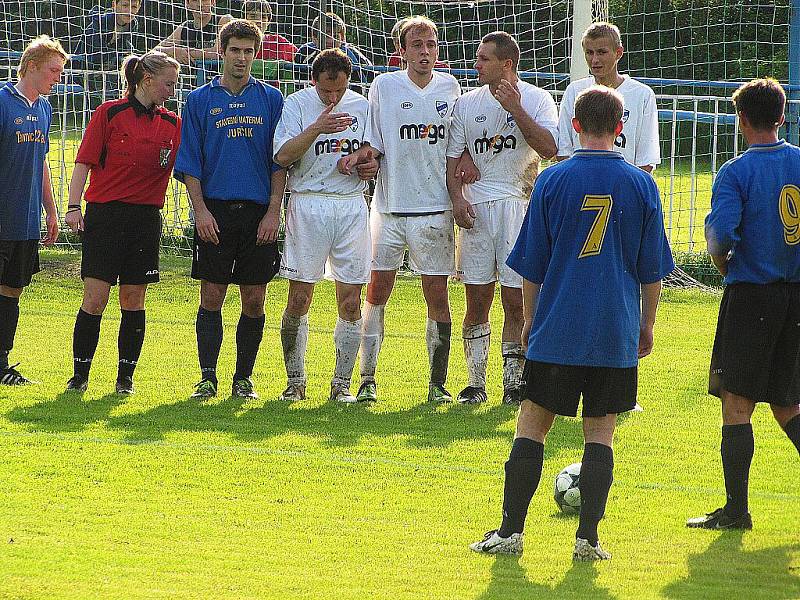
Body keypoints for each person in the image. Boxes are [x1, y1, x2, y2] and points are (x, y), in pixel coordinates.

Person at [469, 86, 673, 560]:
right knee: (600, 432)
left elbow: (531, 268)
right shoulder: (642, 186)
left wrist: (528, 323)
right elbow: (651, 273)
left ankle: (511, 532)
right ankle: (588, 541)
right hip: (612, 330)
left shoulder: (551, 182)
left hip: (557, 328)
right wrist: (645, 326)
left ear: (574, 126)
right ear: (621, 129)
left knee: (531, 425)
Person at [687, 78, 800, 530]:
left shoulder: (735, 172)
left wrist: (722, 266)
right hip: (796, 298)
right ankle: (735, 510)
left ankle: (736, 511)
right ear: (781, 115)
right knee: (789, 405)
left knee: (737, 404)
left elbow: (720, 236)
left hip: (752, 294)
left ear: (741, 120)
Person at [339, 16, 461, 403]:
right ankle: (367, 379)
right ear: (402, 51)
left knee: (436, 295)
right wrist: (364, 159)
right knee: (376, 292)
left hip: (435, 210)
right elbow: (375, 140)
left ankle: (437, 384)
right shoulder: (385, 86)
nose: (425, 51)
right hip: (389, 209)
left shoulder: (451, 86)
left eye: (431, 44)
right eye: (417, 45)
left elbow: (456, 143)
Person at [446, 31, 558, 405]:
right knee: (476, 300)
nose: (476, 65)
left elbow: (549, 148)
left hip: (518, 207)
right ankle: (475, 384)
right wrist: (457, 199)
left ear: (506, 64)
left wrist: (516, 110)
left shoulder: (538, 99)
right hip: (477, 211)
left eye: (483, 59)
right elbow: (453, 158)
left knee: (517, 301)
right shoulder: (466, 103)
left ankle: (514, 384)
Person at [175, 19, 285, 400]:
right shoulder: (199, 100)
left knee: (254, 298)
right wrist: (201, 211)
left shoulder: (271, 99)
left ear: (257, 54)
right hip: (216, 210)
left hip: (258, 213)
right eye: (235, 50)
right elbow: (189, 162)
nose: (242, 57)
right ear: (222, 52)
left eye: (249, 51)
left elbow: (280, 162)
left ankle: (243, 378)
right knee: (212, 295)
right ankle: (207, 376)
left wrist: (274, 212)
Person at [63, 51, 181, 394]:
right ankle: (80, 376)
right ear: (147, 81)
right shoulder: (109, 113)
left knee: (133, 298)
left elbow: (186, 170)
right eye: (168, 84)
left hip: (145, 219)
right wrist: (73, 207)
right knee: (96, 297)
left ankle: (124, 379)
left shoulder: (173, 123)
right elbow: (84, 162)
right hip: (106, 216)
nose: (172, 91)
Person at [273, 49, 375, 403]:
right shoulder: (296, 105)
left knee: (350, 301)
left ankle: (341, 385)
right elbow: (283, 156)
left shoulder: (362, 105)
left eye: (339, 91)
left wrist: (363, 160)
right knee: (300, 297)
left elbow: (374, 152)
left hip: (350, 207)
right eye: (326, 91)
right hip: (308, 202)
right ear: (313, 81)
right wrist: (318, 127)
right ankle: (295, 381)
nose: (333, 98)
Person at [0, 35, 67, 386]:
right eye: (54, 70)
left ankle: (2, 364)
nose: (59, 77)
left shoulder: (43, 107)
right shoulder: (1, 100)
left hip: (24, 220)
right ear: (32, 66)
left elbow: (40, 161)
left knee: (12, 290)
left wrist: (51, 211)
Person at [556, 22, 660, 173]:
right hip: (581, 185)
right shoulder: (574, 91)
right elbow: (564, 151)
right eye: (589, 52)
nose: (594, 60)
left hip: (621, 188)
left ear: (618, 53)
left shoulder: (642, 95)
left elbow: (646, 161)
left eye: (601, 52)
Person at [294, 13, 372, 89]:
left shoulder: (352, 56)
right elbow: (299, 84)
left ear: (342, 39)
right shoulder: (304, 53)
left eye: (335, 36)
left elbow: (369, 77)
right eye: (325, 36)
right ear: (314, 38)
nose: (330, 41)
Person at [155, 0, 232, 66]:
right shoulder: (185, 27)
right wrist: (173, 50)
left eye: (205, 0)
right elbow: (155, 50)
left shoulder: (224, 21)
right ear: (187, 4)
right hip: (189, 81)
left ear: (213, 2)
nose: (200, 4)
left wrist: (183, 53)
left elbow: (217, 52)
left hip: (218, 80)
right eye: (195, 0)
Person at [79, 0, 144, 72]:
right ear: (114, 5)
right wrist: (116, 61)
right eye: (125, 5)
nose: (129, 11)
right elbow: (96, 59)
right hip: (80, 72)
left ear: (139, 8)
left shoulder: (133, 26)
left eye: (134, 6)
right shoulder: (99, 24)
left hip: (110, 76)